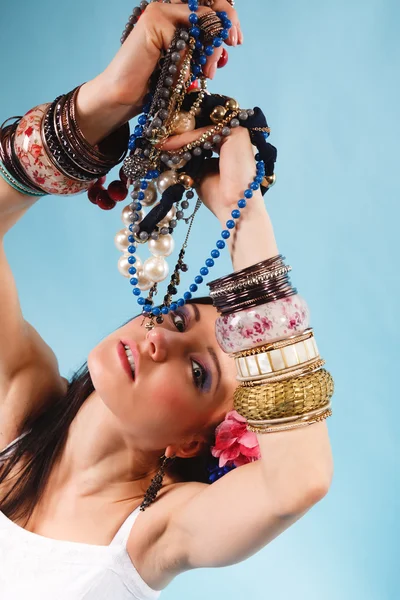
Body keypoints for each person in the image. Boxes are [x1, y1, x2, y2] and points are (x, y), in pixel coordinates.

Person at [0, 2, 334, 598]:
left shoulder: (152, 537)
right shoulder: (17, 406)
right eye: (180, 319)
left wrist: (244, 217)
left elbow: (298, 482)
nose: (158, 341)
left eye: (199, 371)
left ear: (191, 442)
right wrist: (105, 101)